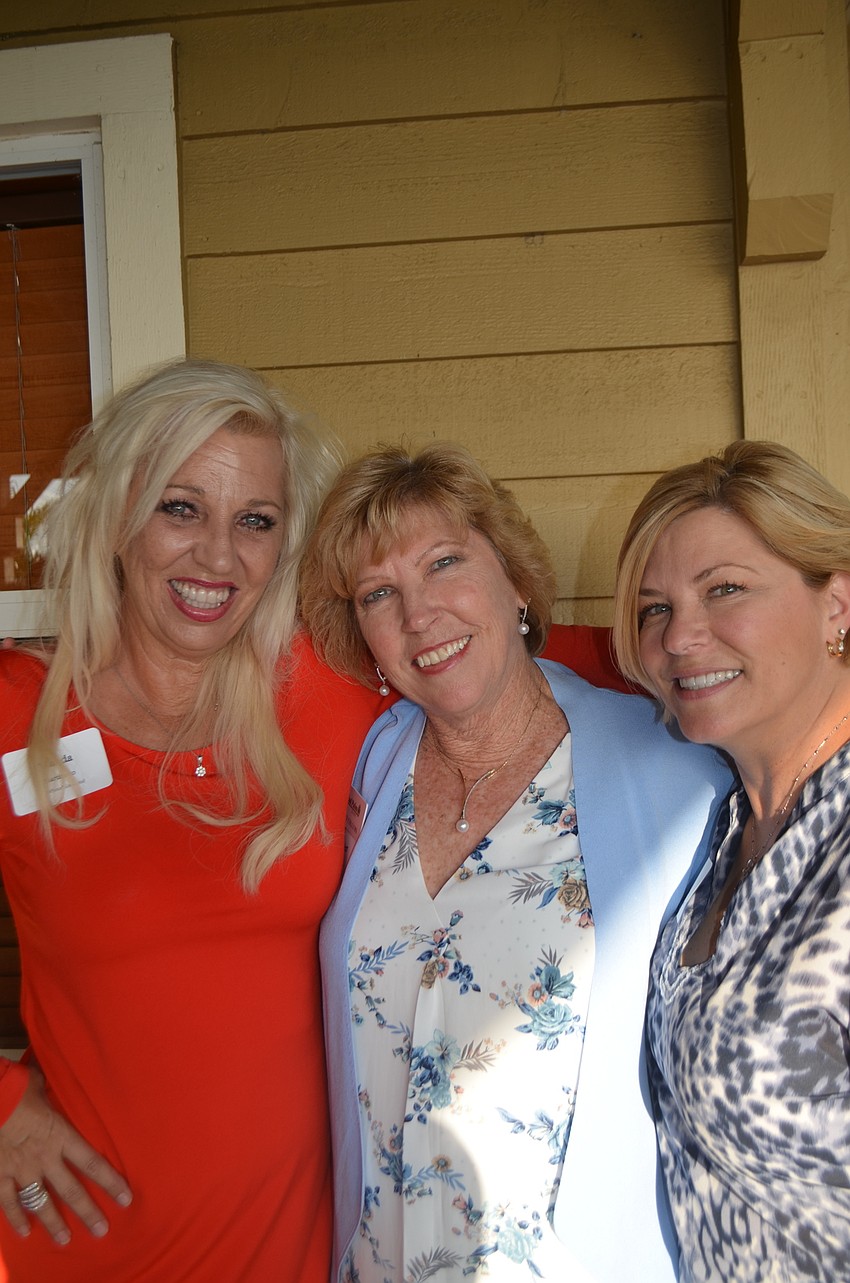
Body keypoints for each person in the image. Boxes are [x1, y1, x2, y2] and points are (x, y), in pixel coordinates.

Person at [0, 361, 634, 1281]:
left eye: (254, 521)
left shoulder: (331, 687)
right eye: (181, 508)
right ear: (117, 516)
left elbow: (533, 652)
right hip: (89, 1246)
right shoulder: (20, 712)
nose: (217, 557)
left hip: (305, 1252)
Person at [298, 443, 732, 1282]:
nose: (419, 614)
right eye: (379, 594)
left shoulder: (671, 769)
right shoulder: (377, 762)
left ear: (518, 582)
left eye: (445, 563)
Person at [613, 439, 850, 1282]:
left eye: (725, 590)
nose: (680, 636)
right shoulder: (726, 828)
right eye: (653, 608)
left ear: (838, 605)